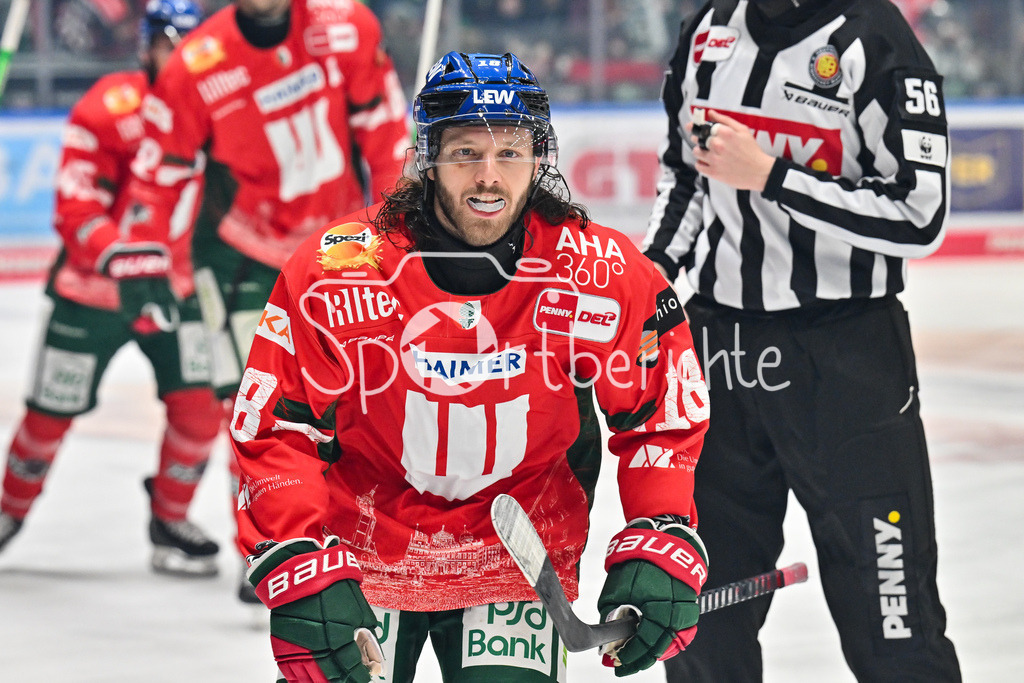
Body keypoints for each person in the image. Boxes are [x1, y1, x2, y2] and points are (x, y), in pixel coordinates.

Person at [232, 51, 712, 682]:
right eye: (466, 154)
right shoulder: (342, 270)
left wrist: (661, 527)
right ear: (429, 157)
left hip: (517, 561)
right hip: (361, 551)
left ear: (538, 159)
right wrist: (295, 549)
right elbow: (276, 425)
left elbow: (660, 410)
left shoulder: (599, 273)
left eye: (509, 153)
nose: (489, 177)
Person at [642, 0, 962, 681]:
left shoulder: (876, 42)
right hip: (721, 351)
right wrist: (650, 284)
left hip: (849, 362)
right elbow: (687, 173)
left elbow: (920, 213)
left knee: (891, 619)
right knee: (702, 623)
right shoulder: (709, 30)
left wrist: (774, 176)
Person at [120, 0, 411, 599]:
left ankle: (350, 530)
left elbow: (386, 134)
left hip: (337, 246)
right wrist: (144, 253)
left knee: (361, 396)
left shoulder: (345, 23)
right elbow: (158, 171)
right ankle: (269, 549)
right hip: (238, 253)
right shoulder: (198, 62)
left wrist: (401, 225)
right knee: (255, 405)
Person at [0, 0, 223, 578]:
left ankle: (170, 520)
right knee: (49, 416)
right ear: (149, 44)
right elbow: (76, 200)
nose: (185, 57)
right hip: (93, 291)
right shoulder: (109, 106)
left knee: (201, 412)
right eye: (174, 42)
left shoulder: (223, 109)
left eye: (195, 44)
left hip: (178, 290)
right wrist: (120, 254)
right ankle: (8, 511)